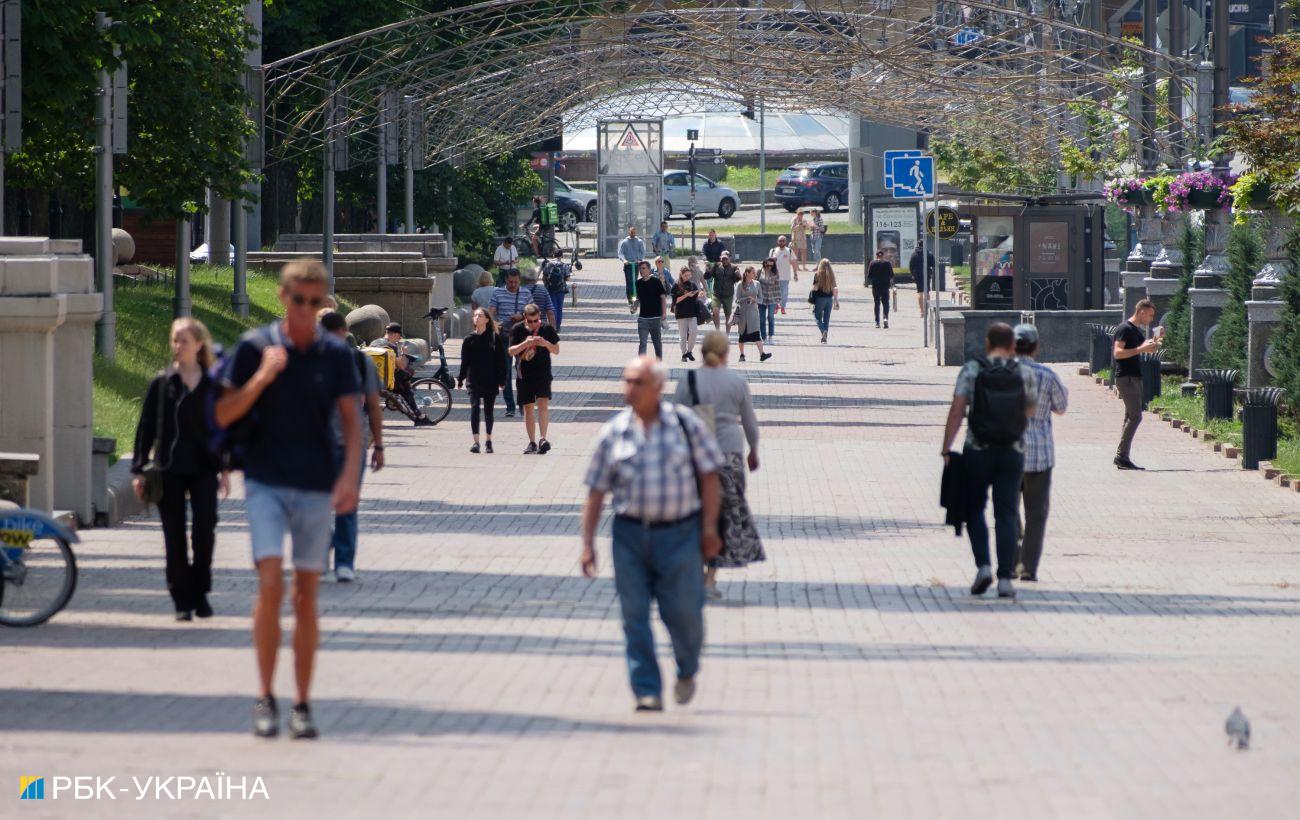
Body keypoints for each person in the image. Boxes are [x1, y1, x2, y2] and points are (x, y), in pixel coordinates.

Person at [216, 258, 363, 739]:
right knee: (269, 585)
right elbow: (223, 414)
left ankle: (301, 703)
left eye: (314, 302)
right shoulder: (255, 347)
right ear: (283, 297)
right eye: (298, 299)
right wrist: (261, 377)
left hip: (316, 483)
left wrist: (349, 478)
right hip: (265, 480)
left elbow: (351, 422)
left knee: (305, 594)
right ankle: (265, 695)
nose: (305, 309)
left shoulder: (335, 355)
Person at [579, 356, 725, 712]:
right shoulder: (614, 432)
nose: (629, 389)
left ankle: (687, 667)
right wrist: (587, 544)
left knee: (685, 614)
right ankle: (646, 688)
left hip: (680, 535)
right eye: (626, 381)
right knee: (634, 615)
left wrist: (709, 528)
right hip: (629, 536)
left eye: (637, 382)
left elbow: (710, 477)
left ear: (658, 388)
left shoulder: (686, 426)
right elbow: (596, 491)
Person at [132, 318, 227, 621]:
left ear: (198, 344)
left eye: (184, 340)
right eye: (174, 340)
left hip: (204, 468)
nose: (177, 346)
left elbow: (222, 429)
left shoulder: (213, 385)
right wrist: (139, 469)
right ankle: (181, 601)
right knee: (174, 537)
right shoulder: (162, 383)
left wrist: (225, 469)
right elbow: (146, 428)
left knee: (204, 532)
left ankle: (200, 592)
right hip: (168, 469)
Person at [940, 323, 1037, 600]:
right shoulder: (1024, 372)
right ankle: (1005, 578)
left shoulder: (972, 369)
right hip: (1012, 451)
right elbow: (1030, 410)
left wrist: (946, 448)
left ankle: (983, 566)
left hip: (977, 449)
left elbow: (957, 410)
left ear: (987, 343)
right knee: (1006, 513)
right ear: (1012, 346)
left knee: (975, 509)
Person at [671, 331, 764, 601]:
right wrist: (754, 449)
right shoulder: (736, 381)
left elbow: (674, 418)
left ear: (702, 353)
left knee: (694, 514)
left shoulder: (688, 380)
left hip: (696, 455)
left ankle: (694, 570)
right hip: (729, 454)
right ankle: (710, 577)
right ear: (726, 353)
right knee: (723, 516)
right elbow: (749, 421)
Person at [320, 311, 384, 583]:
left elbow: (373, 405)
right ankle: (328, 560)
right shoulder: (310, 362)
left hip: (348, 445)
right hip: (322, 445)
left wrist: (379, 445)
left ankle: (342, 562)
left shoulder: (359, 361)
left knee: (343, 504)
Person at [1012, 324, 1068, 582]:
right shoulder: (1047, 374)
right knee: (1036, 514)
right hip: (1039, 456)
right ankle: (1028, 568)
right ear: (1035, 347)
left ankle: (1011, 561)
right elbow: (1061, 407)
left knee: (1007, 510)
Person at [1113, 298, 1161, 470]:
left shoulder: (1135, 331)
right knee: (1136, 416)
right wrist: (1141, 349)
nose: (1151, 319)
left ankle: (1123, 456)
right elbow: (1118, 353)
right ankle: (1121, 456)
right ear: (1141, 312)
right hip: (1126, 378)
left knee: (1130, 417)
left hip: (1134, 377)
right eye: (1150, 315)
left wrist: (1156, 339)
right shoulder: (1125, 329)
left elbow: (1147, 348)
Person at [509, 303, 561, 454]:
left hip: (543, 373)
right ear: (524, 317)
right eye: (530, 321)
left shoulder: (546, 329)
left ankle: (543, 438)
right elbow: (511, 351)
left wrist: (545, 343)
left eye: (536, 320)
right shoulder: (517, 329)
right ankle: (532, 442)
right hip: (524, 374)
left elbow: (556, 350)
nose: (533, 324)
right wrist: (525, 343)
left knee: (543, 404)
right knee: (528, 407)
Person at [459, 307, 508, 454]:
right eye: (475, 315)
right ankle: (476, 442)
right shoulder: (469, 339)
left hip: (490, 379)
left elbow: (501, 360)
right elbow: (465, 361)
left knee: (488, 410)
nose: (477, 318)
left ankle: (488, 440)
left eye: (480, 315)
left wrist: (502, 380)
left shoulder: (494, 337)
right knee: (475, 408)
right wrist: (460, 378)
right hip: (474, 379)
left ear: (487, 319)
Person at [370, 322, 434, 426]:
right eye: (399, 337)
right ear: (395, 334)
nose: (399, 340)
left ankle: (417, 416)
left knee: (403, 385)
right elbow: (401, 366)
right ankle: (419, 416)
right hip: (386, 381)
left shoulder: (374, 343)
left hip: (372, 378)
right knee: (406, 386)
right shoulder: (391, 346)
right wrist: (404, 353)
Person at [489, 268, 531, 417]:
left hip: (521, 337)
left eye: (516, 282)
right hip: (504, 337)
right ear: (506, 280)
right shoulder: (498, 293)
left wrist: (521, 316)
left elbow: (533, 312)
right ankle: (510, 406)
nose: (513, 285)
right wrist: (493, 324)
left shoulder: (526, 293)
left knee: (522, 371)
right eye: (510, 282)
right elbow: (491, 311)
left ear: (520, 281)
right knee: (505, 372)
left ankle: (522, 403)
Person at [733, 267, 771, 363]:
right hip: (743, 314)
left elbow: (761, 299)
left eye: (755, 273)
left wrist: (754, 300)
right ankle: (742, 355)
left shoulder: (757, 284)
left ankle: (762, 354)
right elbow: (736, 300)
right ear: (747, 273)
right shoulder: (740, 285)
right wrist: (746, 299)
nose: (755, 274)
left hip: (754, 313)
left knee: (756, 334)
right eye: (753, 273)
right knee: (742, 336)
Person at [634, 260, 668, 359]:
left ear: (649, 270)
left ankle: (659, 362)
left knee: (657, 343)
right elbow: (638, 298)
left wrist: (664, 313)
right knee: (642, 343)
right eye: (640, 269)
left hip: (655, 318)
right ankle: (641, 364)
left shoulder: (656, 282)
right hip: (643, 319)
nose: (641, 270)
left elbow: (663, 298)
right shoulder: (638, 283)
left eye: (643, 268)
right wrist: (634, 306)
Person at [670, 265, 704, 362]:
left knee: (694, 331)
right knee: (683, 336)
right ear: (681, 275)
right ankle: (683, 354)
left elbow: (696, 298)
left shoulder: (692, 285)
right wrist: (686, 295)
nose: (688, 277)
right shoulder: (676, 285)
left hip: (692, 313)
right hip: (681, 314)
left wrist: (700, 294)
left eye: (689, 275)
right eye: (685, 275)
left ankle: (689, 351)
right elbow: (675, 301)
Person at [810, 259, 840, 344]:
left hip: (820, 299)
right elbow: (835, 289)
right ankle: (824, 338)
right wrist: (836, 300)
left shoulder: (817, 275)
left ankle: (823, 331)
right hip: (829, 300)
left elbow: (815, 288)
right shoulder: (832, 276)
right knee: (826, 319)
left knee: (817, 316)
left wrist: (813, 288)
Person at [542, 247, 571, 330]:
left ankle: (552, 325)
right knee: (559, 307)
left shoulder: (548, 264)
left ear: (553, 255)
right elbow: (568, 278)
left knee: (552, 307)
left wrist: (546, 284)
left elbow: (544, 277)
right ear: (561, 256)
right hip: (561, 289)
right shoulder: (564, 265)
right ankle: (558, 326)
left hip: (550, 289)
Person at [710, 251, 741, 329]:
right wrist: (708, 271)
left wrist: (738, 275)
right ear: (720, 258)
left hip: (728, 295)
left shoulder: (734, 267)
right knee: (715, 312)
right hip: (717, 294)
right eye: (723, 259)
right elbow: (707, 276)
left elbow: (738, 280)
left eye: (726, 259)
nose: (724, 260)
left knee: (728, 316)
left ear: (730, 258)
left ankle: (727, 334)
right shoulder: (716, 266)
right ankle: (718, 331)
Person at [618, 225, 646, 307]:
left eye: (634, 232)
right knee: (629, 283)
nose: (633, 233)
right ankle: (630, 300)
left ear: (635, 232)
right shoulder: (625, 242)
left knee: (634, 282)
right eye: (631, 232)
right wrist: (624, 260)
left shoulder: (639, 241)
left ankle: (635, 299)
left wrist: (640, 259)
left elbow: (642, 252)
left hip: (636, 264)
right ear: (629, 232)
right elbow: (620, 253)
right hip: (628, 265)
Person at [768, 235, 796, 314]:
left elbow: (793, 262)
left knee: (784, 294)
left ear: (785, 242)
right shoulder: (773, 251)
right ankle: (776, 306)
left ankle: (783, 307)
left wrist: (795, 273)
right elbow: (768, 263)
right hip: (774, 276)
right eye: (780, 241)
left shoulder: (789, 251)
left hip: (785, 277)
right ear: (777, 242)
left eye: (783, 241)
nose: (782, 242)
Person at [866, 249, 895, 328]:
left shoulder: (872, 263)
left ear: (876, 256)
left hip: (876, 287)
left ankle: (877, 322)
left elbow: (869, 276)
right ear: (883, 255)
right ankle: (885, 318)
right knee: (885, 303)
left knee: (877, 303)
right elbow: (891, 275)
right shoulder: (887, 263)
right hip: (885, 287)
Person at [758, 257, 781, 340]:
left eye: (771, 266)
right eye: (767, 265)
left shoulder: (775, 273)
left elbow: (777, 286)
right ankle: (763, 337)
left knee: (770, 317)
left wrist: (779, 300)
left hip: (772, 298)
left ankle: (771, 336)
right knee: (762, 319)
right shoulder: (759, 272)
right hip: (761, 298)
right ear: (764, 264)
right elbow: (755, 284)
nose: (769, 267)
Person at [909, 245, 936, 315]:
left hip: (918, 275)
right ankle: (927, 310)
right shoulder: (929, 253)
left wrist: (912, 274)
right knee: (927, 293)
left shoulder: (914, 254)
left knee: (920, 293)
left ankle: (921, 311)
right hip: (927, 275)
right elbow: (933, 264)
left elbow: (911, 265)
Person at [790, 210, 808, 274]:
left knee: (804, 252)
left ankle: (804, 266)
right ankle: (797, 267)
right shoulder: (794, 220)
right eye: (799, 215)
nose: (801, 216)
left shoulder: (804, 220)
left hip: (803, 237)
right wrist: (798, 226)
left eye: (802, 215)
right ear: (797, 214)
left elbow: (807, 228)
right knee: (796, 253)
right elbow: (792, 229)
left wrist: (805, 226)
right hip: (795, 238)